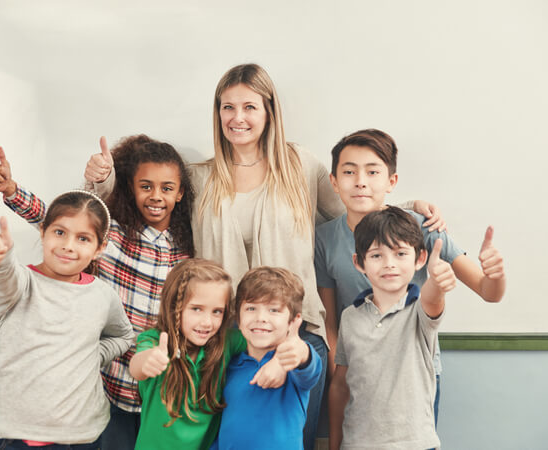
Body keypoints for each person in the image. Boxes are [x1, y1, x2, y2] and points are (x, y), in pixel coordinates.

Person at [86, 64, 444, 449]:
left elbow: (352, 208)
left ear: (269, 111)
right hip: (225, 343)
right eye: (227, 107)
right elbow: (146, 206)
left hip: (297, 332)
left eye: (249, 107)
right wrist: (101, 180)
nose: (237, 118)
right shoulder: (200, 177)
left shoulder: (300, 166)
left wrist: (406, 209)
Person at [0, 135, 195, 450]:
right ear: (131, 189)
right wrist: (12, 191)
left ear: (179, 194)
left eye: (166, 188)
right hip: (110, 388)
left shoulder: (187, 251)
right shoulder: (114, 236)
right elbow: (54, 218)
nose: (155, 196)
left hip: (159, 389)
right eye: (145, 186)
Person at [314, 129, 506, 421]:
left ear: (391, 181)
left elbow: (488, 291)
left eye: (373, 172)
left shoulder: (422, 226)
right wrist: (342, 380)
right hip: (357, 376)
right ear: (334, 182)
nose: (361, 181)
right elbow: (330, 323)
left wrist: (495, 274)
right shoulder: (324, 239)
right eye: (349, 172)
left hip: (415, 376)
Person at [0, 191, 135, 449]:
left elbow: (123, 336)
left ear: (100, 249)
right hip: (15, 436)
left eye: (83, 238)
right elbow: (4, 276)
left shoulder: (103, 295)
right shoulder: (22, 284)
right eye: (60, 232)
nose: (68, 245)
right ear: (43, 232)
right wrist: (0, 258)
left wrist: (93, 354)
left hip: (83, 436)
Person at [328, 207, 456, 449]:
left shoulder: (420, 310)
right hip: (358, 444)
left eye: (400, 254)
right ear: (359, 262)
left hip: (415, 444)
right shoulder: (349, 317)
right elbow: (340, 384)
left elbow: (432, 298)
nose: (389, 264)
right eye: (377, 255)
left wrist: (437, 281)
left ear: (419, 259)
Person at [129, 259, 289, 450]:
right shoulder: (156, 340)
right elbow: (137, 367)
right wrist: (148, 361)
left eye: (217, 312)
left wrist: (280, 361)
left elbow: (275, 338)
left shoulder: (226, 342)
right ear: (174, 307)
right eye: (196, 309)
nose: (207, 322)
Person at [213, 267, 322, 450]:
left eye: (273, 310)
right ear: (238, 318)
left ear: (293, 321)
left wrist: (284, 359)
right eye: (251, 308)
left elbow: (307, 361)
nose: (261, 317)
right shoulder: (229, 366)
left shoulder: (292, 366)